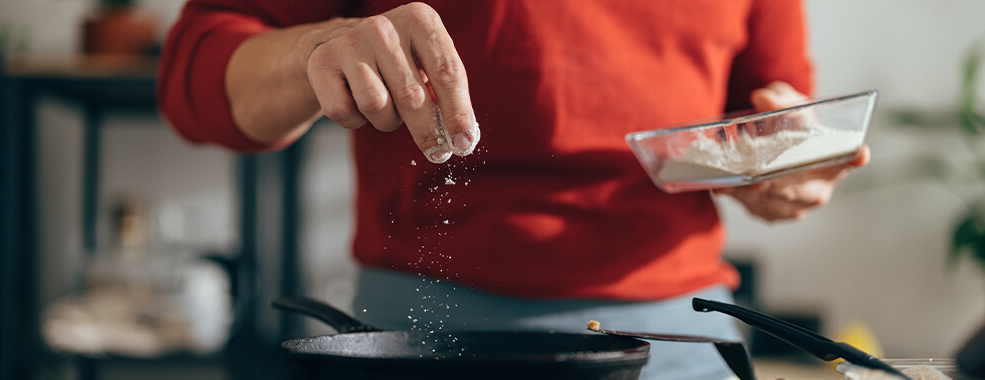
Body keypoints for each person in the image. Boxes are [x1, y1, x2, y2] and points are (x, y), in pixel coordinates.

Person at [158, 1, 870, 379]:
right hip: (428, 340)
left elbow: (769, 108)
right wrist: (312, 51)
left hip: (677, 340)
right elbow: (193, 72)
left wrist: (781, 165)